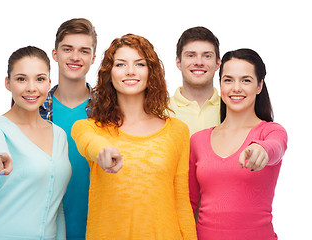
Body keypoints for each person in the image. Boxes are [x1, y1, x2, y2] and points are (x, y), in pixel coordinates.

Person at [72, 34, 197, 240]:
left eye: (139, 64)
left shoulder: (177, 131)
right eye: (121, 64)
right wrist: (103, 151)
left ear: (151, 72)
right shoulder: (88, 128)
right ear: (109, 74)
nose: (130, 71)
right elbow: (91, 144)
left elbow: (181, 202)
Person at [0, 18, 97, 239]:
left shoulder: (108, 112)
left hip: (97, 228)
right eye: (67, 49)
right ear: (55, 54)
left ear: (93, 58)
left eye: (84, 51)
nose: (75, 57)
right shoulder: (33, 108)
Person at [189, 48, 288, 239]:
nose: (236, 88)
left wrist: (261, 149)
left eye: (246, 80)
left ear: (259, 86)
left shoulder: (270, 132)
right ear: (220, 84)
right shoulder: (198, 140)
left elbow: (276, 147)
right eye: (228, 80)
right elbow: (190, 203)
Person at [0, 46, 72, 239]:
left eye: (40, 79)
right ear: (8, 83)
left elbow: (57, 205)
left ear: (49, 83)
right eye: (21, 79)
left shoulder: (60, 135)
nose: (31, 87)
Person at [169, 26, 221, 135]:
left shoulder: (232, 109)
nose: (199, 62)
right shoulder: (159, 111)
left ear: (217, 64)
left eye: (207, 56)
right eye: (191, 55)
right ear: (178, 63)